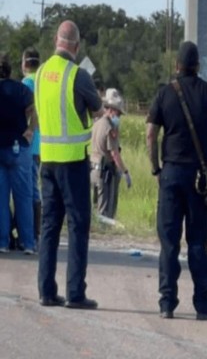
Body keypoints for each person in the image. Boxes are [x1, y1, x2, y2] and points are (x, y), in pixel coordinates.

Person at [146, 41, 207, 320]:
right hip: (199, 175)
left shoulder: (164, 94)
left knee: (169, 243)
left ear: (177, 66)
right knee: (198, 243)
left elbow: (150, 134)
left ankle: (167, 303)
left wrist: (156, 169)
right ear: (198, 66)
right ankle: (202, 306)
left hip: (171, 174)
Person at [35, 20, 103, 309]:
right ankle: (75, 293)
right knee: (78, 225)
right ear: (76, 46)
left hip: (46, 160)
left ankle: (46, 291)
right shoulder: (77, 75)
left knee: (50, 226)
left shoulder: (39, 73)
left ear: (55, 41)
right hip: (73, 161)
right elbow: (99, 110)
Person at [0, 53, 37, 254]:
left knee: (1, 199)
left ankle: (3, 242)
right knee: (23, 197)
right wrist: (30, 131)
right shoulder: (22, 90)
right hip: (19, 147)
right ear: (10, 69)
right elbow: (34, 113)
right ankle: (28, 242)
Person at [90, 88, 131, 219]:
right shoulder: (109, 127)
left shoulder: (97, 123)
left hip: (93, 170)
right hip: (105, 172)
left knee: (96, 207)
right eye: (118, 114)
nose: (118, 117)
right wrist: (124, 171)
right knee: (105, 212)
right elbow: (114, 154)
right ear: (112, 110)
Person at [22, 47, 42, 246]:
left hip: (28, 142)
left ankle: (32, 232)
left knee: (29, 189)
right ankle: (35, 230)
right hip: (43, 144)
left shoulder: (26, 83)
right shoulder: (43, 81)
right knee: (35, 186)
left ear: (24, 64)